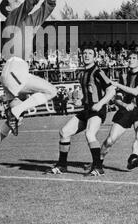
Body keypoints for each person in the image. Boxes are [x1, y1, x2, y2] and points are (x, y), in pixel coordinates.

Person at [0, 0, 68, 175]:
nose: (19, 3)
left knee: (13, 121)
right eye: (15, 1)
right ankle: (17, 110)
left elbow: (48, 5)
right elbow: (32, 0)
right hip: (15, 68)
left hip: (10, 72)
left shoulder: (28, 21)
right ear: (9, 8)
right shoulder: (12, 17)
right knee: (51, 91)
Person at [48, 48, 115, 177]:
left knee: (90, 134)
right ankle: (62, 165)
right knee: (64, 132)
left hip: (97, 110)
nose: (86, 55)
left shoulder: (98, 72)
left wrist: (100, 103)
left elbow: (111, 90)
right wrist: (80, 101)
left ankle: (98, 167)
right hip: (87, 109)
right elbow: (89, 94)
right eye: (84, 53)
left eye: (90, 54)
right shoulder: (83, 73)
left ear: (95, 57)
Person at [100, 52, 138, 170]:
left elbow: (135, 91)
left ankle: (133, 158)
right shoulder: (123, 77)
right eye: (129, 58)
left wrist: (117, 84)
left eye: (134, 58)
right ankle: (98, 161)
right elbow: (117, 99)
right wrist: (124, 104)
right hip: (126, 111)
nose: (130, 60)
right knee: (110, 140)